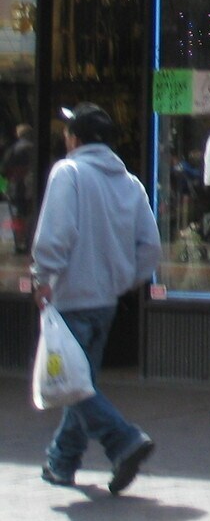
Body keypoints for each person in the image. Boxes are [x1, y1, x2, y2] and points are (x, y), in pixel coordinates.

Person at [31, 104, 160, 494]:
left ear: (76, 138)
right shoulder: (131, 183)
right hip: (105, 301)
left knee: (75, 385)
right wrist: (125, 281)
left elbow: (55, 235)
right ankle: (62, 461)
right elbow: (149, 247)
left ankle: (122, 439)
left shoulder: (68, 173)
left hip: (70, 298)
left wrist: (42, 277)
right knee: (79, 381)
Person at [5, 121, 36, 256]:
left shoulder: (13, 149)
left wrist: (4, 189)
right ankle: (30, 241)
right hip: (32, 187)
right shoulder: (36, 148)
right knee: (31, 215)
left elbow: (4, 170)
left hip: (17, 188)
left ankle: (20, 243)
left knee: (17, 216)